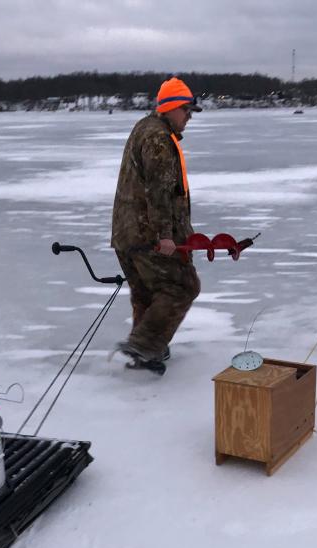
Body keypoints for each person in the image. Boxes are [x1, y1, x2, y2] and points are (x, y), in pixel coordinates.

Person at [111, 77, 202, 372]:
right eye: (187, 110)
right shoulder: (159, 139)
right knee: (183, 285)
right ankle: (145, 345)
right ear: (173, 107)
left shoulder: (145, 128)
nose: (189, 117)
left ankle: (145, 357)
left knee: (147, 295)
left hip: (127, 234)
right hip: (147, 234)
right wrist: (165, 235)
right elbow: (159, 191)